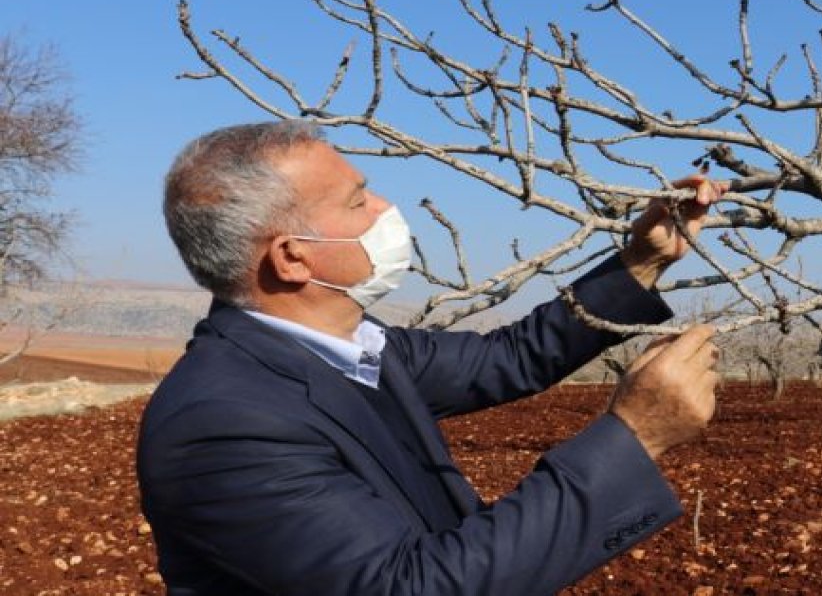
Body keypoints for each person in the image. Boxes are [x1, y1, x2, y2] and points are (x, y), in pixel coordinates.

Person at [136, 121, 727, 595]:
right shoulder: (222, 425)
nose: (384, 208)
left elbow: (511, 357)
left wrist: (642, 262)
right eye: (357, 200)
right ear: (293, 258)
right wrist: (635, 436)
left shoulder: (356, 350)